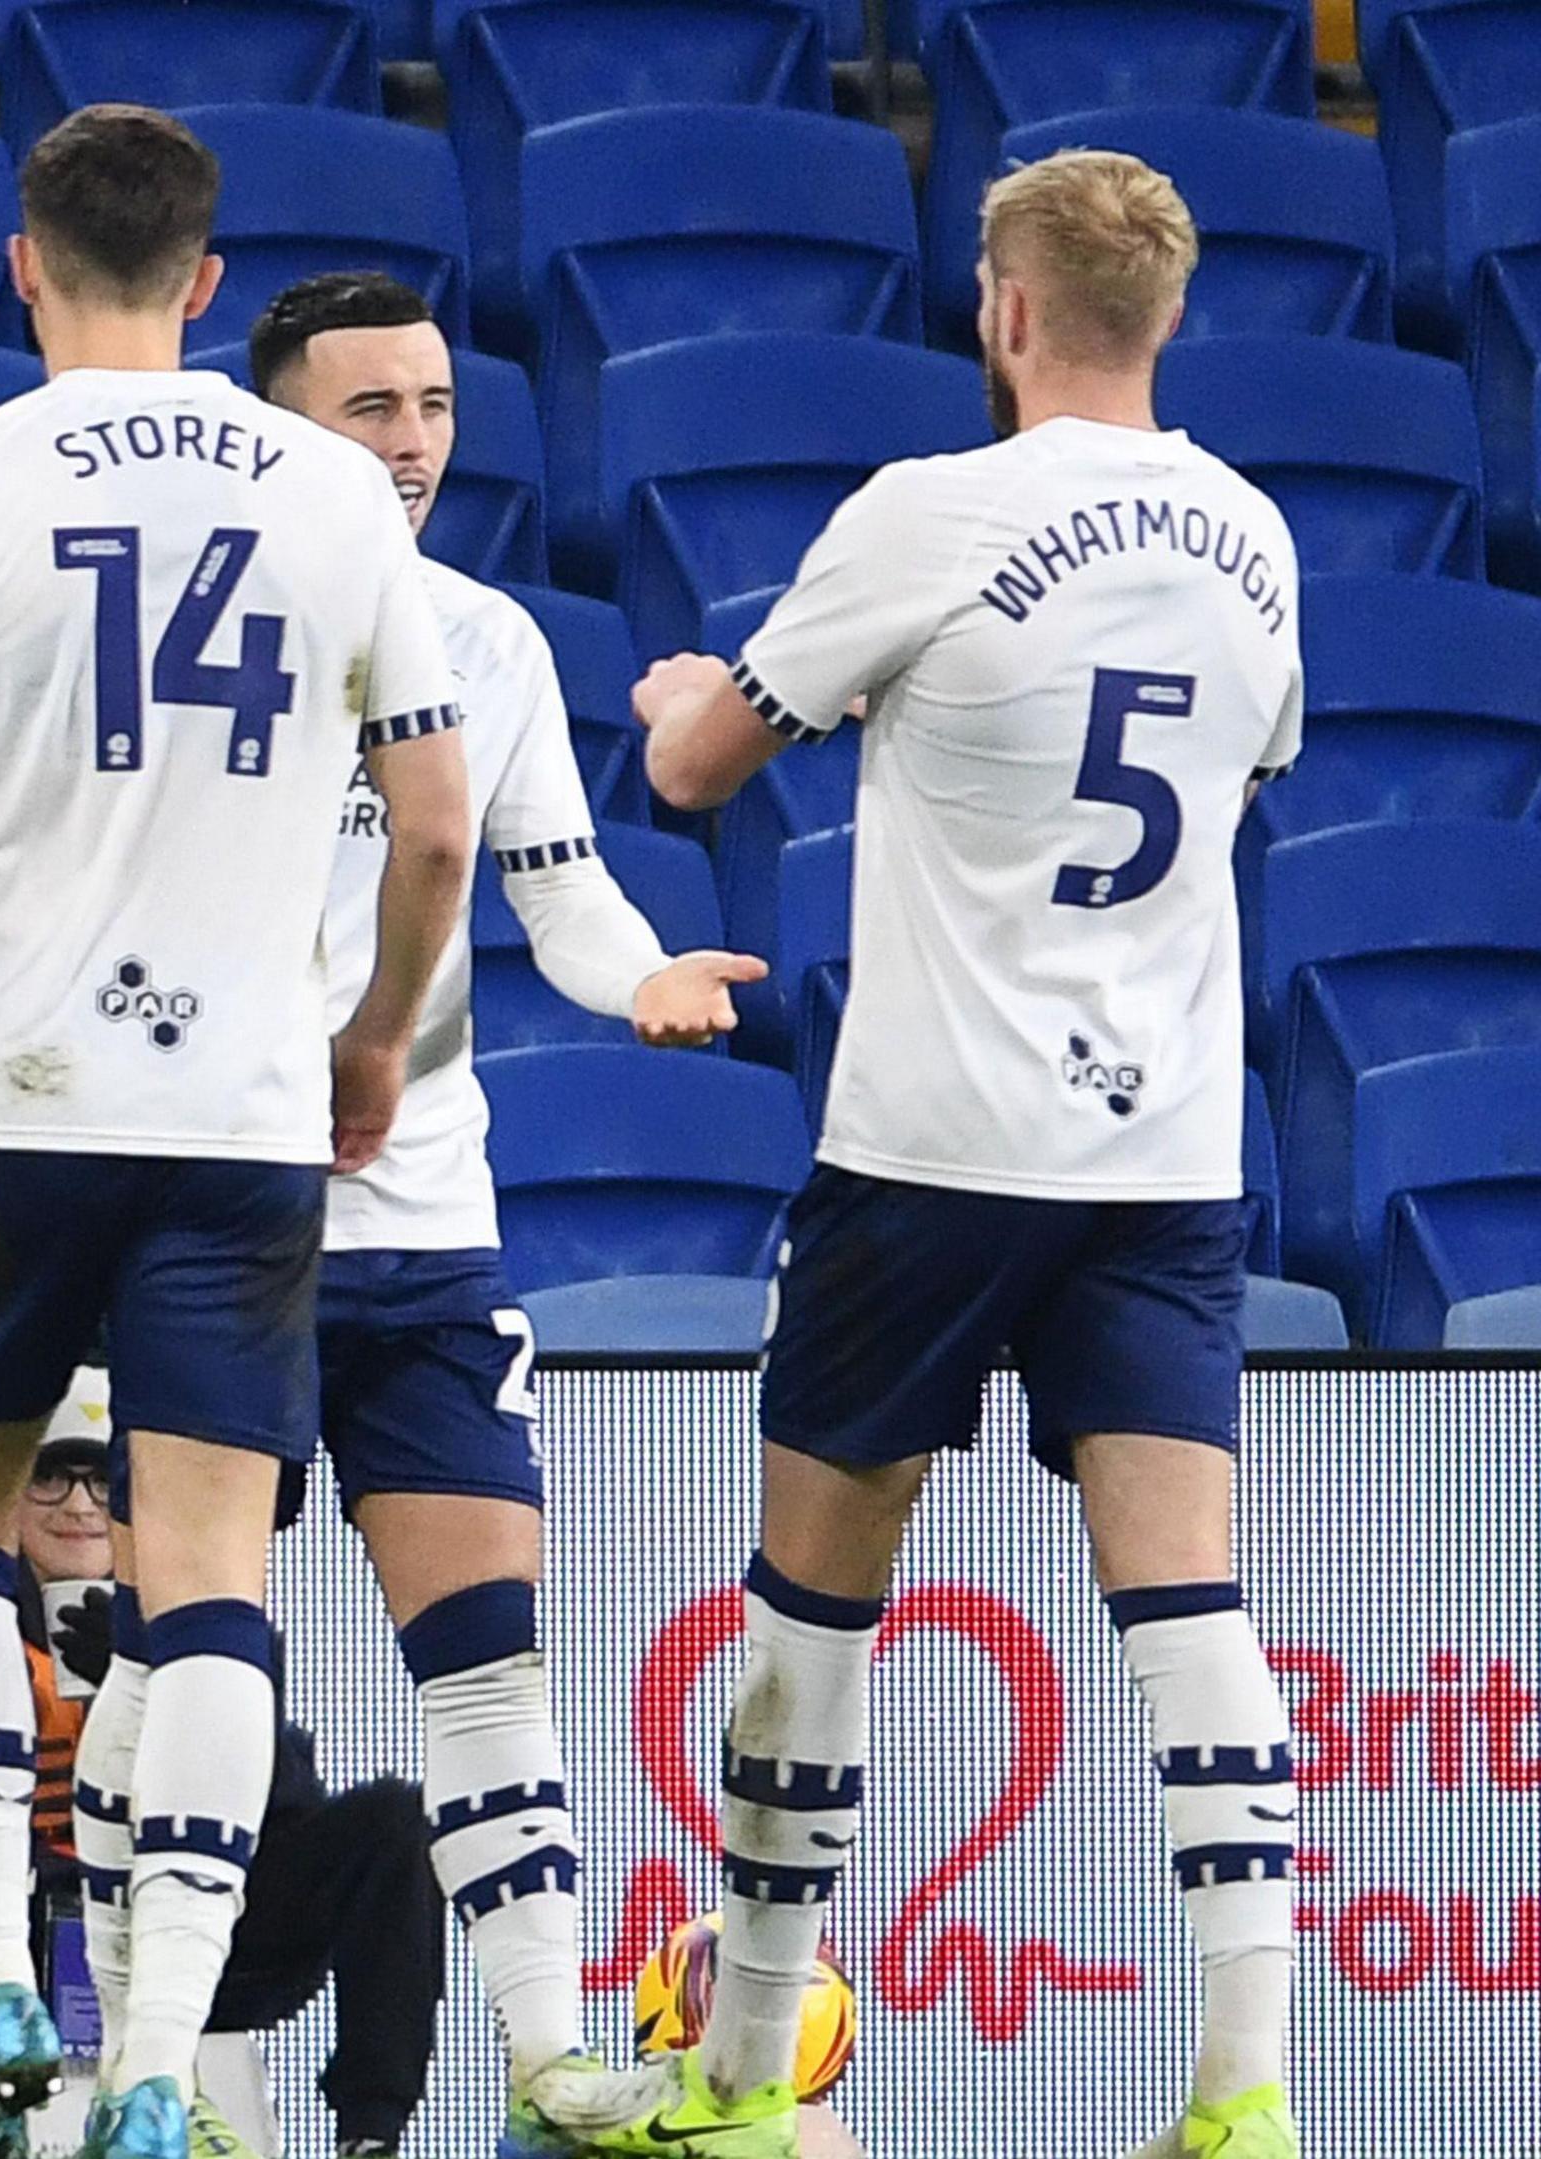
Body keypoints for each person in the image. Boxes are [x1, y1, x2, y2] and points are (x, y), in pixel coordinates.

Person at [0, 106, 473, 2159]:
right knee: (214, 1577)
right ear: (211, 280)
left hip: (10, 1101)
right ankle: (156, 2053)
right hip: (239, 1106)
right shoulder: (338, 494)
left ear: (26, 265)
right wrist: (378, 1034)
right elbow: (433, 819)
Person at [601, 152, 1303, 2159]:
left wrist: (680, 691)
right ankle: (1245, 2084)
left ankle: (741, 2069)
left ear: (1004, 306)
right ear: (1164, 317)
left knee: (814, 1606)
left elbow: (694, 762)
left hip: (930, 1146)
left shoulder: (931, 511)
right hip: (1164, 1148)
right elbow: (1247, 762)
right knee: (1189, 1601)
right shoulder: (1254, 536)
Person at [239, 269, 769, 2147]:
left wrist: (638, 980)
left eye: (435, 405)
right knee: (198, 1666)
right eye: (368, 406)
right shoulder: (197, 640)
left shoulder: (488, 642)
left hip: (428, 1232)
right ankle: (198, 2086)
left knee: (489, 1650)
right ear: (276, 419)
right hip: (216, 1228)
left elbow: (561, 889)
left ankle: (548, 2055)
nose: (410, 442)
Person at [0, 1377, 445, 2157]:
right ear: (9, 1490)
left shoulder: (201, 1613)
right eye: (50, 1475)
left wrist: (158, 1682)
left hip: (190, 1929)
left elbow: (280, 1800)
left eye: (102, 1478)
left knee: (393, 1818)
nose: (80, 1505)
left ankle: (372, 2133)